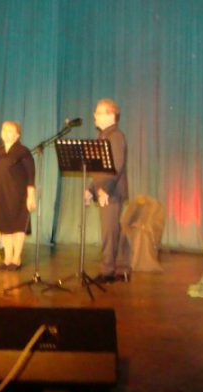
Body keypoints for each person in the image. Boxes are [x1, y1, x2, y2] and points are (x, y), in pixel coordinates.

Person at [84, 98, 130, 282]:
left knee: (109, 233)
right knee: (108, 232)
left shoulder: (115, 136)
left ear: (111, 115)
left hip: (112, 192)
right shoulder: (103, 136)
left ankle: (108, 271)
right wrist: (91, 189)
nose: (94, 115)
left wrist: (105, 189)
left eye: (98, 112)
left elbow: (116, 167)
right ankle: (110, 269)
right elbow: (99, 169)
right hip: (105, 190)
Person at [0, 121, 36, 270]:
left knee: (17, 226)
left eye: (10, 130)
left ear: (17, 135)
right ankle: (7, 259)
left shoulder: (23, 151)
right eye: (4, 129)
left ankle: (16, 258)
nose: (6, 132)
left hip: (17, 194)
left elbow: (31, 174)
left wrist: (31, 195)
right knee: (4, 226)